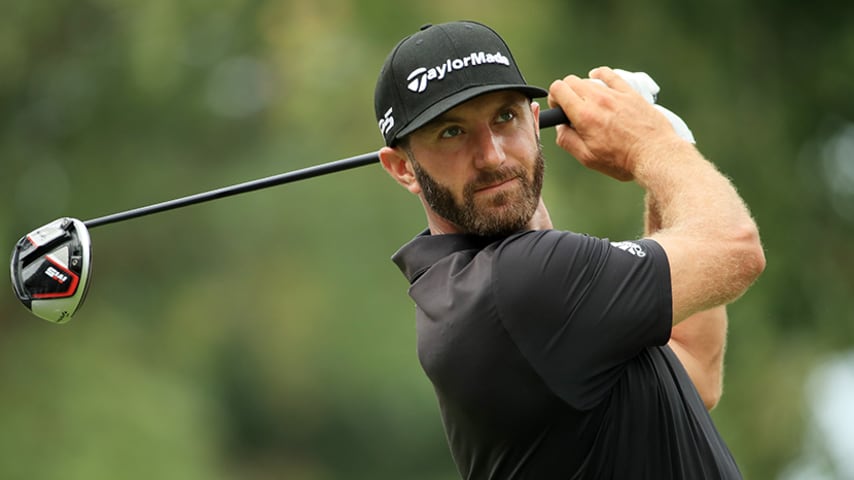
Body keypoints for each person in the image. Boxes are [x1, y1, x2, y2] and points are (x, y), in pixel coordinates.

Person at [374, 21, 765, 479]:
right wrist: (649, 144)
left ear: (535, 122)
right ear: (403, 168)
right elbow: (735, 247)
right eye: (452, 133)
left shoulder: (477, 291)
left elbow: (694, 366)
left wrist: (667, 145)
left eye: (505, 117)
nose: (493, 155)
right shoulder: (519, 282)